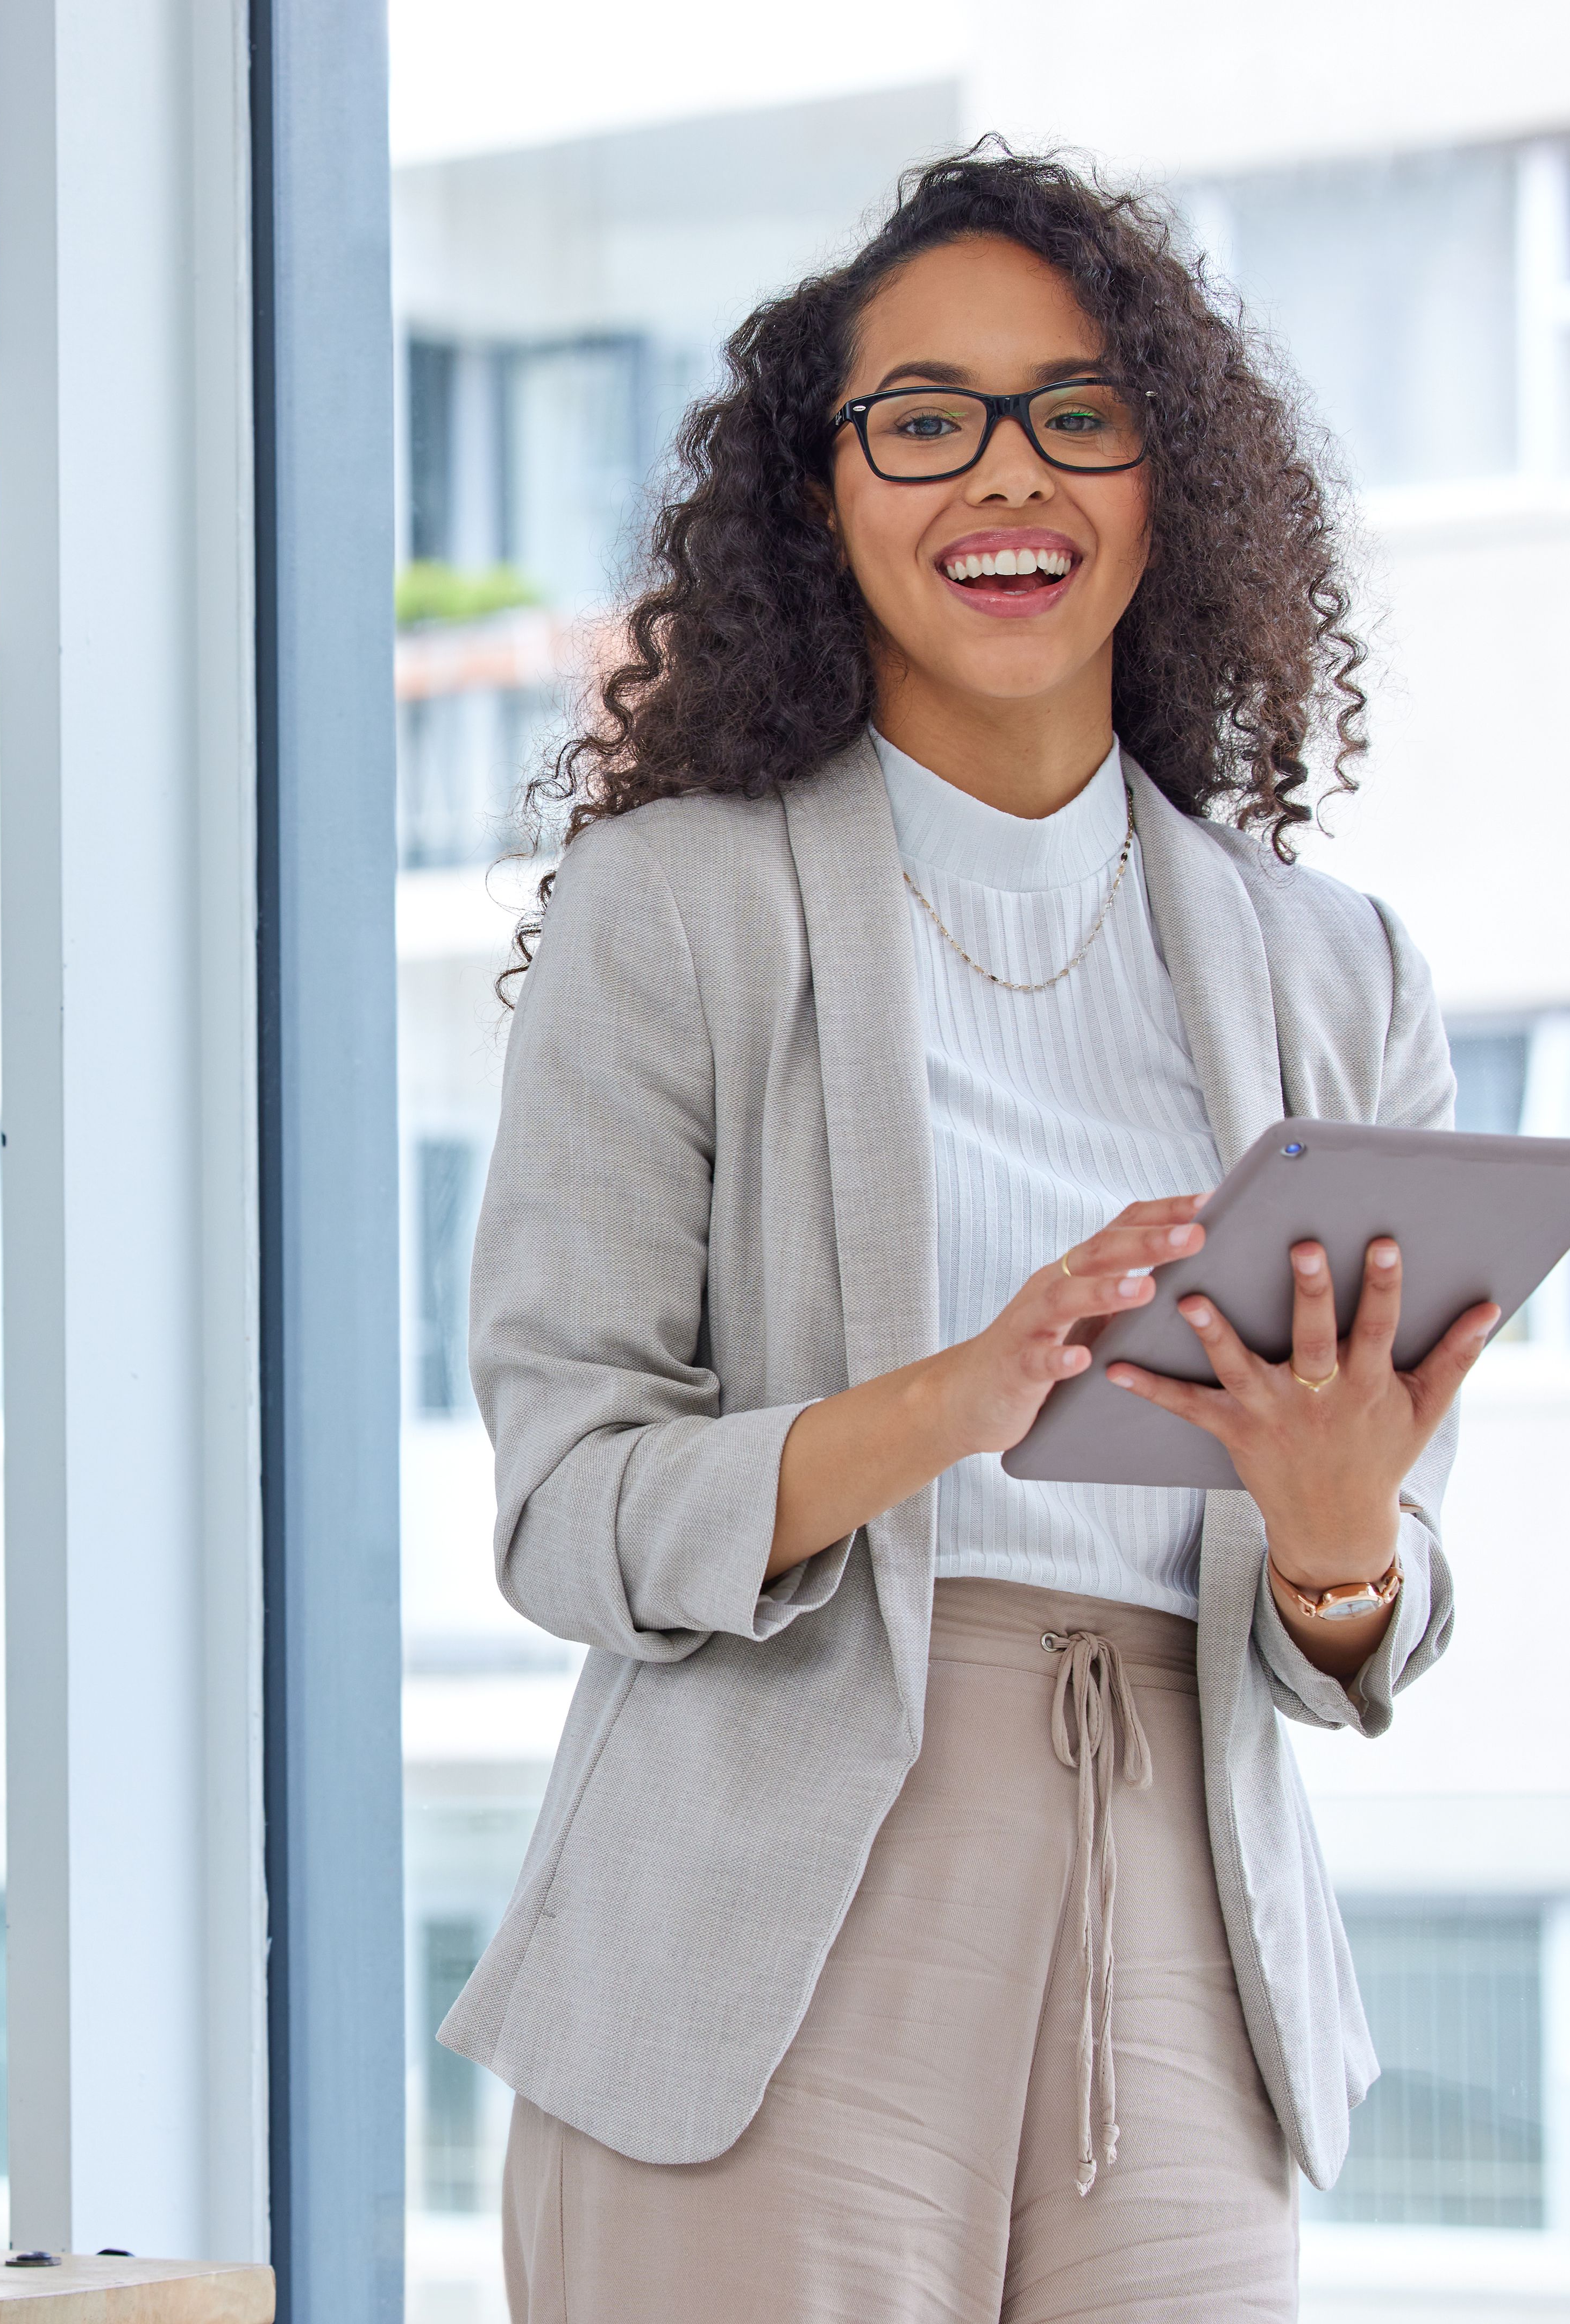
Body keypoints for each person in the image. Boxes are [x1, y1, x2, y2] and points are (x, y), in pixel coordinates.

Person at [437, 147, 1495, 2322]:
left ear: (1161, 478)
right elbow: (566, 1512)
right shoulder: (678, 914)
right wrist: (958, 1400)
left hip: (1184, 1933)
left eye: (1070, 411)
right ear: (820, 492)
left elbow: (1368, 1604)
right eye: (919, 418)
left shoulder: (1332, 973)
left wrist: (1331, 1546)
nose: (996, 477)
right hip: (769, 1923)